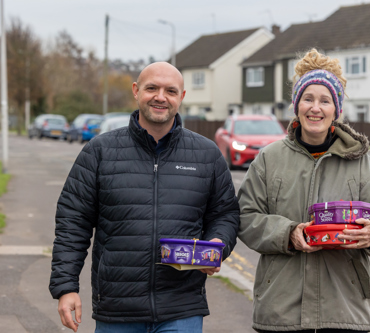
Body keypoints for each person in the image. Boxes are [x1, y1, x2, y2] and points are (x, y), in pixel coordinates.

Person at [49, 62, 240, 333]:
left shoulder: (207, 155)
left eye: (170, 91)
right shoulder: (99, 151)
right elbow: (72, 223)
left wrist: (218, 244)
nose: (161, 97)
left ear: (182, 97)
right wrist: (66, 287)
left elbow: (225, 213)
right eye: (152, 88)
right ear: (136, 91)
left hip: (181, 308)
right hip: (117, 309)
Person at [238, 49, 370, 332]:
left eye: (325, 101)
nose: (315, 108)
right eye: (308, 99)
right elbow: (244, 216)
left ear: (336, 110)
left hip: (344, 308)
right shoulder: (268, 159)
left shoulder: (363, 165)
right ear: (296, 105)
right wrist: (287, 233)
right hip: (280, 309)